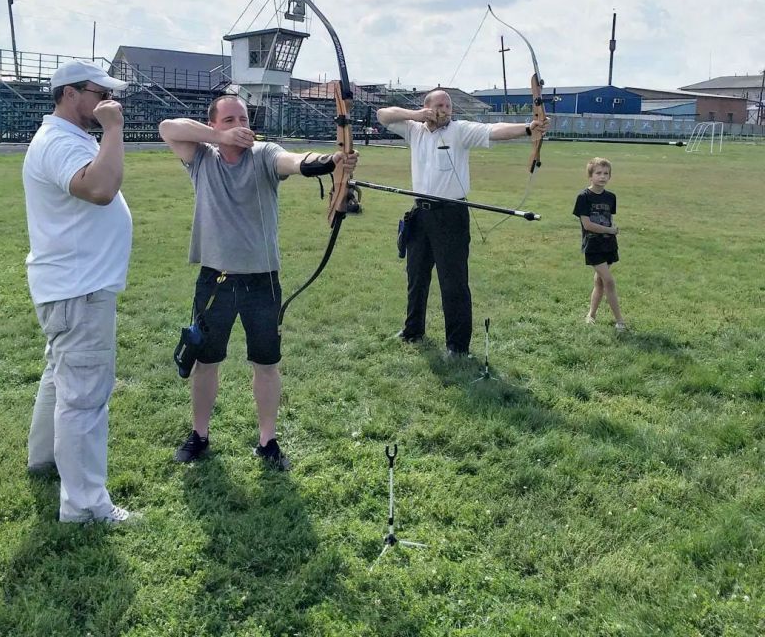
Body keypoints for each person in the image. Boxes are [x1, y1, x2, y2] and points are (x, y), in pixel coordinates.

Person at [159, 95, 358, 466]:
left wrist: (329, 161)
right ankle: (199, 435)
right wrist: (221, 139)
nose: (240, 125)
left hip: (261, 282)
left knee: (266, 364)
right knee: (206, 361)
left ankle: (268, 441)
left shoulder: (264, 154)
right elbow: (167, 128)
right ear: (213, 125)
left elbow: (295, 162)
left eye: (244, 119)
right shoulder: (201, 157)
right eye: (229, 120)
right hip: (215, 280)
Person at [23, 59, 137, 524]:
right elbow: (101, 188)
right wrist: (114, 129)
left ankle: (43, 458)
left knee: (62, 375)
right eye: (100, 93)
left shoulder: (68, 137)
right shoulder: (58, 141)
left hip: (73, 285)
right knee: (85, 396)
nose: (110, 101)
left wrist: (105, 130)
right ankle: (85, 506)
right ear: (70, 94)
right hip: (79, 289)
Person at [376, 88, 549, 357]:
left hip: (451, 215)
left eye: (448, 106)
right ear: (427, 107)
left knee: (453, 281)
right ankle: (413, 330)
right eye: (439, 105)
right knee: (416, 275)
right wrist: (417, 115)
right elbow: (382, 114)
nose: (445, 110)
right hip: (420, 213)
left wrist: (528, 128)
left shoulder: (459, 131)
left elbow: (493, 130)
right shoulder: (414, 129)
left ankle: (457, 346)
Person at [572, 157, 626, 330]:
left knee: (600, 282)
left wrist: (611, 230)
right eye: (598, 173)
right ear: (590, 176)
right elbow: (587, 225)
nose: (602, 176)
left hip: (609, 245)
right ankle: (620, 321)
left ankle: (591, 315)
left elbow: (609, 218)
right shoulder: (583, 197)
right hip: (593, 245)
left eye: (606, 173)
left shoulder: (611, 197)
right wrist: (610, 230)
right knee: (609, 281)